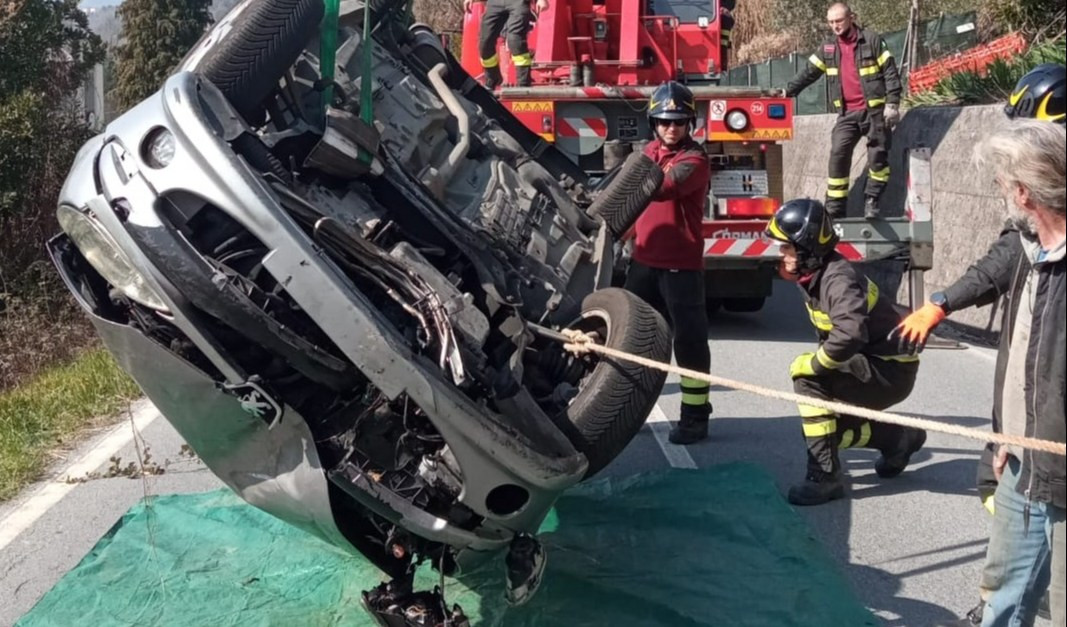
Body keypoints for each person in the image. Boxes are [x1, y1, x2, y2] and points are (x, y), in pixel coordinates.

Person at [892, 64, 1065, 627]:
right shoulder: (1031, 242)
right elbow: (999, 275)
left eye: (1011, 168)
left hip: (1059, 463)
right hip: (1023, 454)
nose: (1003, 187)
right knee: (1002, 595)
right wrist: (941, 301)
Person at [764, 198, 926, 506]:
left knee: (808, 382)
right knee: (826, 430)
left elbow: (850, 332)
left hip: (889, 369)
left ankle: (824, 478)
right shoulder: (815, 274)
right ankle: (899, 440)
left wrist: (814, 364)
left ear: (807, 247)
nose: (781, 254)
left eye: (786, 247)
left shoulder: (837, 279)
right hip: (879, 365)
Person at [624, 80, 713, 445]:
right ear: (654, 123)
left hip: (681, 265)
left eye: (678, 121)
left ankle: (695, 416)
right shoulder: (649, 152)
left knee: (689, 342)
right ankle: (624, 411)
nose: (671, 128)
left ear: (689, 123)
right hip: (644, 261)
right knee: (629, 338)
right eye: (663, 121)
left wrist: (628, 167)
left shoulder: (695, 160)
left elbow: (662, 188)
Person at [783, 2, 901, 219]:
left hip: (874, 112)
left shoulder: (871, 40)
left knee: (878, 157)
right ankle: (835, 211)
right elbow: (809, 73)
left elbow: (890, 71)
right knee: (838, 154)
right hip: (847, 114)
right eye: (831, 22)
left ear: (851, 18)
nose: (835, 26)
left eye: (839, 21)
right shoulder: (828, 48)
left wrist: (892, 104)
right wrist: (786, 93)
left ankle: (872, 200)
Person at [464, 0, 548, 89]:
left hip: (518, 2)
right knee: (485, 42)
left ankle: (523, 82)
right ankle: (493, 78)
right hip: (495, 3)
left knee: (515, 40)